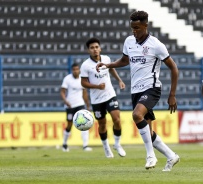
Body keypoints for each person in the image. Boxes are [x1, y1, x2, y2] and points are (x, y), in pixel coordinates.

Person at [96, 10, 180, 171]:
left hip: (152, 88)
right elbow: (124, 60)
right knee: (148, 130)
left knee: (136, 115)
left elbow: (174, 68)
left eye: (137, 28)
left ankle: (150, 156)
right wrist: (108, 65)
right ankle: (171, 156)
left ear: (145, 25)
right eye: (132, 28)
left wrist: (172, 95)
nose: (134, 31)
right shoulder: (129, 41)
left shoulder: (156, 45)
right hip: (136, 90)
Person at [80, 37, 126, 158]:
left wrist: (119, 80)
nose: (95, 50)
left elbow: (111, 69)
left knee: (116, 119)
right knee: (102, 124)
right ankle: (106, 146)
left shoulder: (106, 59)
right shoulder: (85, 65)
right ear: (88, 50)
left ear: (100, 48)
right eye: (92, 48)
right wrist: (97, 86)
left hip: (110, 94)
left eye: (96, 47)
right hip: (97, 99)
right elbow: (83, 83)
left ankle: (117, 144)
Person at [60, 63, 92, 152]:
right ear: (72, 70)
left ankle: (85, 145)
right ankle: (65, 144)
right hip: (70, 105)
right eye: (74, 69)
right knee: (69, 125)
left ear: (79, 70)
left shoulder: (82, 79)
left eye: (77, 69)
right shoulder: (67, 79)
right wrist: (66, 101)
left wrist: (87, 105)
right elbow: (62, 92)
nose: (75, 71)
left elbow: (84, 93)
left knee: (85, 124)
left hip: (80, 104)